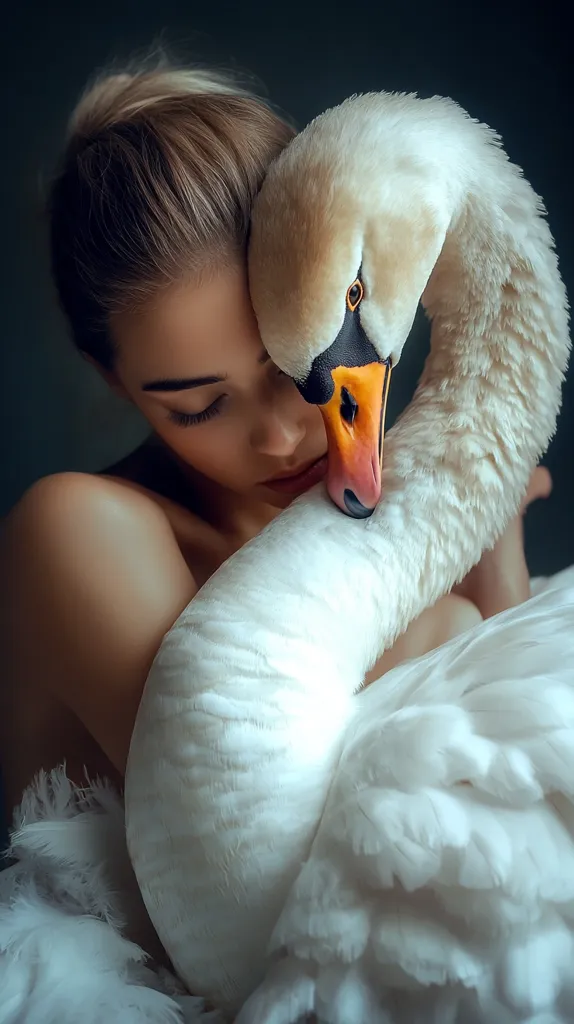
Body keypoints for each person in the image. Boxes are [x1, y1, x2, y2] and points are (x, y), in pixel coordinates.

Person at [0, 59, 552, 819]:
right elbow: (237, 839)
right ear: (114, 382)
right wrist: (465, 606)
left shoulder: (381, 510)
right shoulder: (73, 532)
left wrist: (487, 531)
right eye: (199, 407)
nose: (283, 433)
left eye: (299, 364)